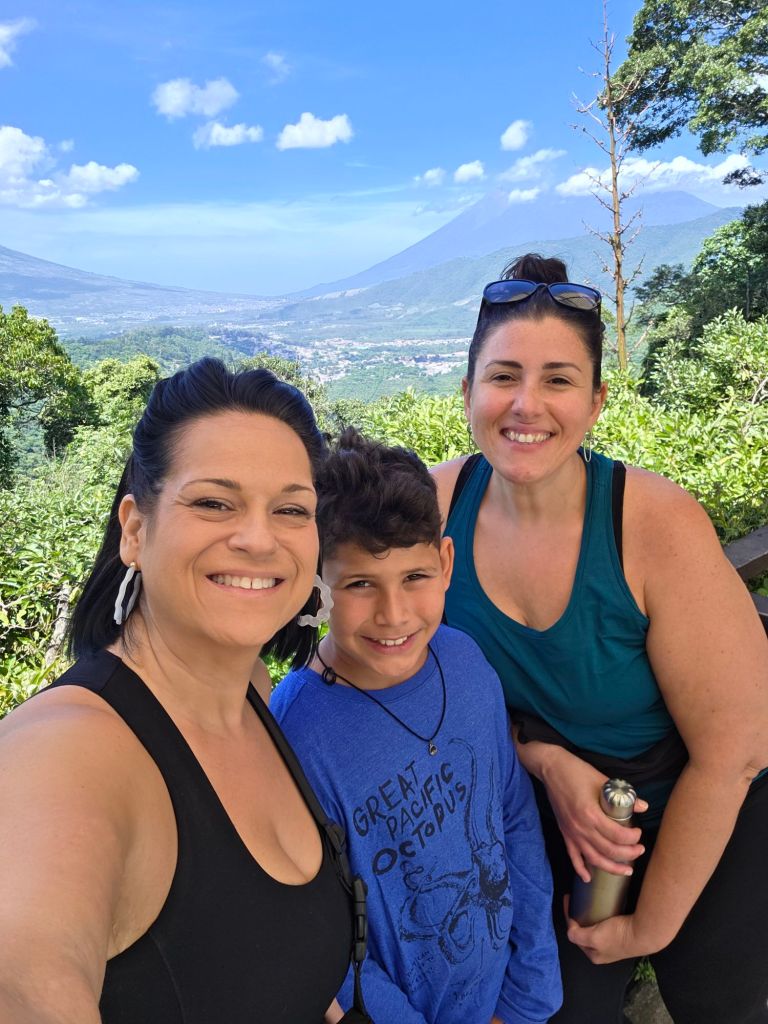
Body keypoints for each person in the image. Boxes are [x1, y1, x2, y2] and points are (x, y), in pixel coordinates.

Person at [431, 254, 768, 1024]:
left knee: (717, 1001)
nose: (526, 404)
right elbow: (410, 683)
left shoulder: (653, 524)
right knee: (555, 1006)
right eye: (503, 376)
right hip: (554, 816)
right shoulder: (433, 506)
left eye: (558, 379)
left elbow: (737, 750)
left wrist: (650, 928)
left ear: (595, 402)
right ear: (468, 391)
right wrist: (544, 761)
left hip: (705, 804)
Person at [0, 357, 363, 1024]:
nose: (258, 538)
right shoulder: (66, 755)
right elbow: (23, 974)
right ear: (135, 530)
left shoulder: (252, 694)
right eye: (214, 503)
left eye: (291, 509)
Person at [270, 427, 563, 1024]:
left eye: (415, 577)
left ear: (446, 563)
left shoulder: (466, 662)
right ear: (316, 588)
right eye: (359, 584)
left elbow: (511, 814)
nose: (394, 614)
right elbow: (321, 931)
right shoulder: (295, 731)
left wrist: (530, 992)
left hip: (509, 999)